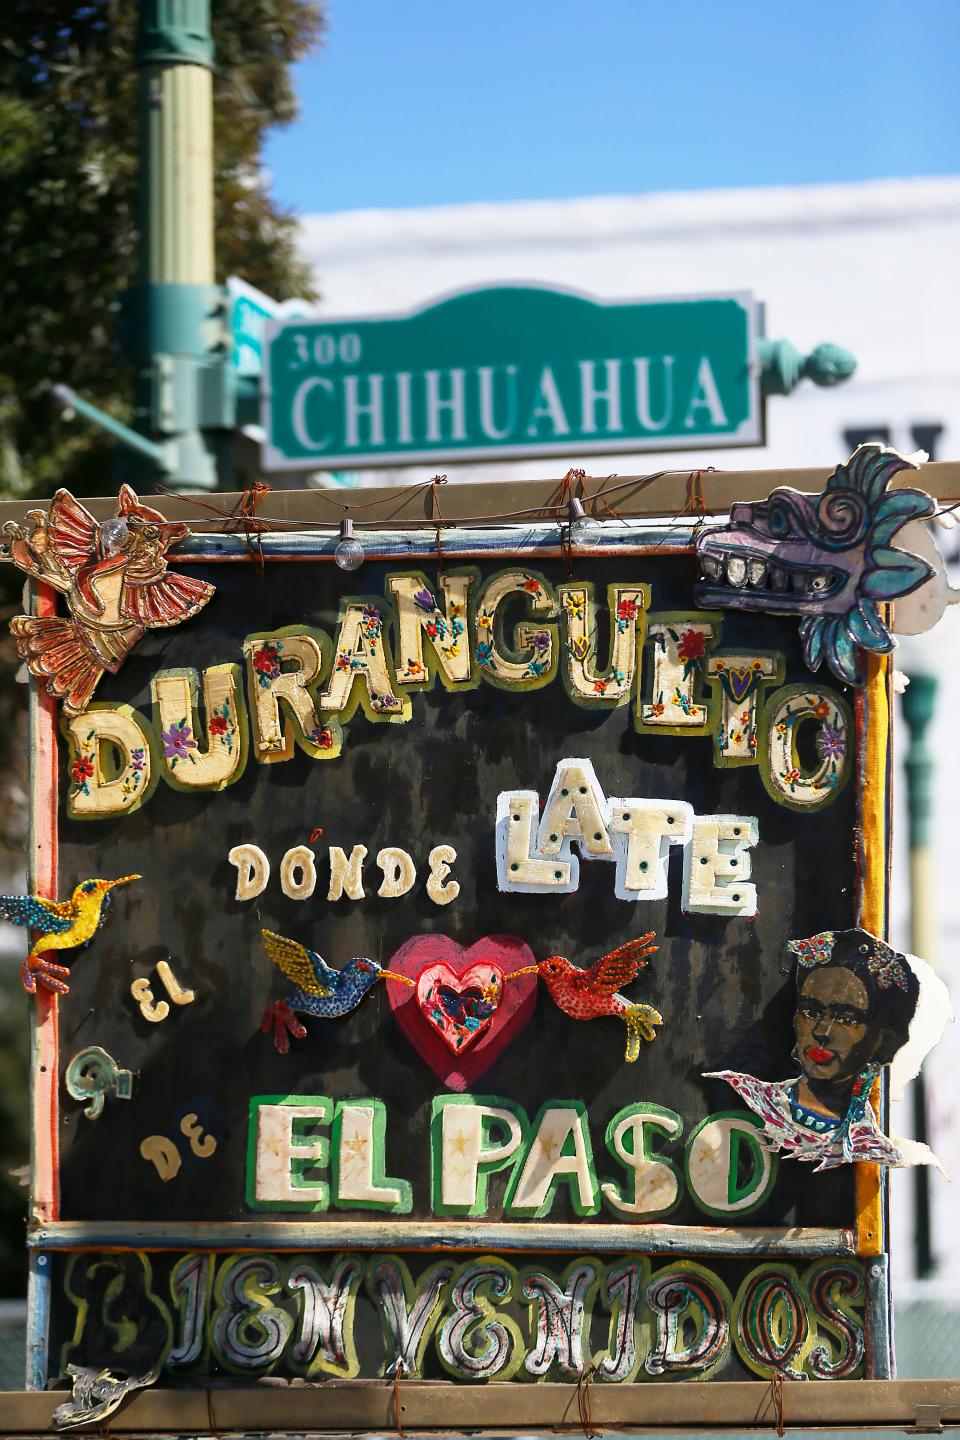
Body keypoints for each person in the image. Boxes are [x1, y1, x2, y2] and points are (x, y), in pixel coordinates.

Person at [706, 928, 939, 1171]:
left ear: (885, 1041)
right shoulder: (746, 1093)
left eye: (847, 1020)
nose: (822, 1031)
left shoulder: (872, 1149)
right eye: (811, 1011)